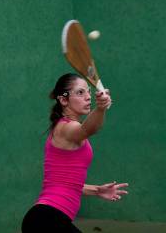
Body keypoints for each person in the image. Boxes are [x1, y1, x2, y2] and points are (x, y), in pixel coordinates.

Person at [22, 73, 129, 233]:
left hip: (44, 220)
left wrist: (97, 190)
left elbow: (65, 184)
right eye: (80, 92)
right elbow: (88, 129)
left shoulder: (66, 129)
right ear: (64, 100)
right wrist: (100, 108)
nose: (88, 97)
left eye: (88, 92)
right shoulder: (66, 128)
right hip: (47, 219)